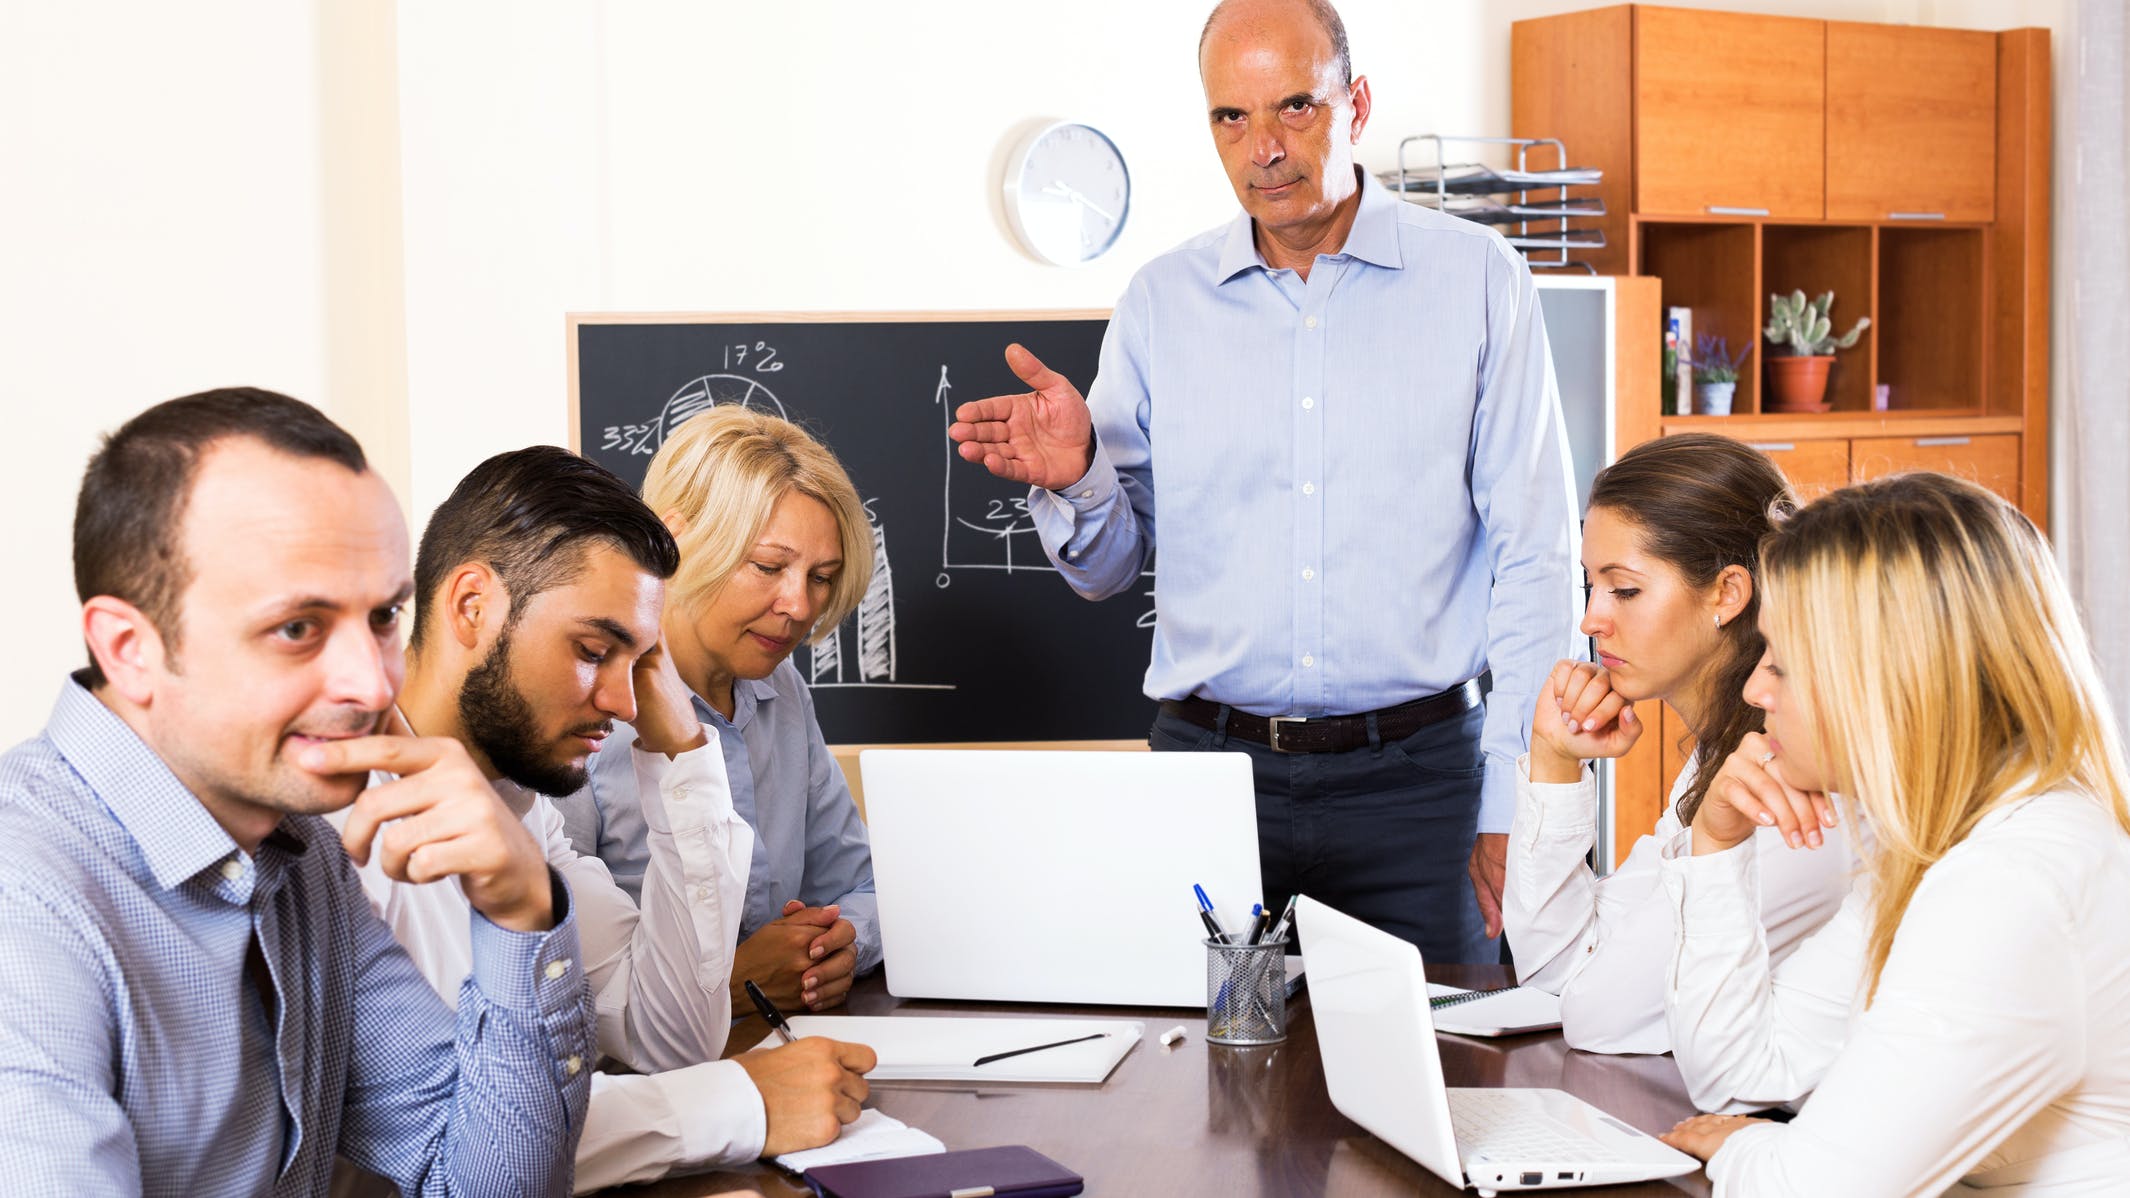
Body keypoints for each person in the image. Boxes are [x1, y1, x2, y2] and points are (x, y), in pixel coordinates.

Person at [945, 0, 1577, 961]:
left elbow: (1537, 558)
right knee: (1197, 1090)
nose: (1264, 148)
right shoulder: (1161, 304)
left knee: (1448, 1081)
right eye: (1230, 118)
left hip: (1422, 790)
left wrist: (1514, 799)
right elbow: (1107, 568)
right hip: (1207, 781)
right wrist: (1080, 481)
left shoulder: (1480, 283)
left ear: (1355, 104)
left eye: (1294, 107)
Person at [0, 389, 595, 1194]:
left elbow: (483, 1185)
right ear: (129, 647)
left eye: (383, 615)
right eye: (297, 627)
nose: (371, 680)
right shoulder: (23, 902)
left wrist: (522, 909)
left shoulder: (302, 853)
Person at [332, 446, 873, 1191]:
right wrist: (740, 1098)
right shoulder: (347, 825)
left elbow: (667, 1036)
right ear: (471, 607)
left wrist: (680, 753)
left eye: (641, 660)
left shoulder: (524, 808)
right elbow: (467, 1145)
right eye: (594, 650)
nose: (624, 703)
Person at [1653, 473, 2130, 1193]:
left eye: (1781, 662)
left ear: (1882, 680)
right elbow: (1743, 1071)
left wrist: (1753, 1150)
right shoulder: (1942, 842)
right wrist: (1718, 844)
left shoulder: (2007, 885)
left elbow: (1813, 1191)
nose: (1755, 691)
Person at [1502, 435, 1853, 1053]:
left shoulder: (1782, 780)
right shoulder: (1718, 756)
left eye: (1625, 589)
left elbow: (1600, 1018)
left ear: (1726, 594)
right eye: (1591, 585)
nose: (1591, 619)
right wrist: (1555, 760)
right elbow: (1556, 971)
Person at [557, 406, 882, 1011]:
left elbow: (861, 885)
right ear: (676, 544)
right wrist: (726, 986)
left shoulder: (784, 693)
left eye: (822, 576)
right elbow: (546, 960)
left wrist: (840, 947)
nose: (799, 605)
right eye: (768, 566)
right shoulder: (585, 704)